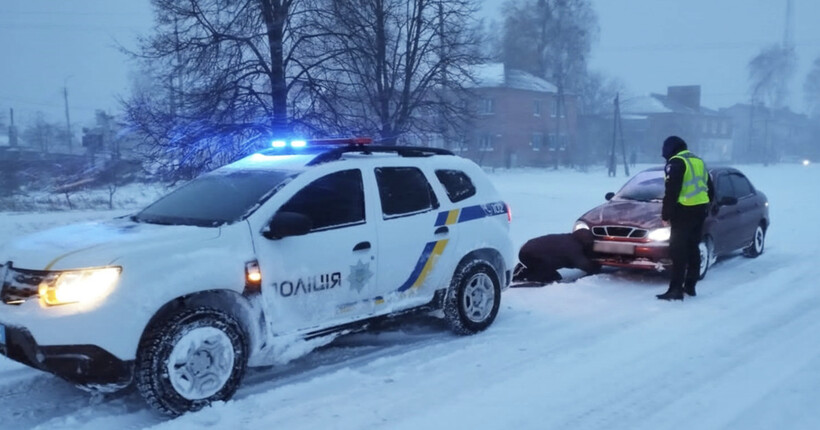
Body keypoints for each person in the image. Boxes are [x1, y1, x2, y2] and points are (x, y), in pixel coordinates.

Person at [657, 135, 714, 301]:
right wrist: (706, 206)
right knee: (693, 248)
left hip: (683, 211)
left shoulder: (676, 162)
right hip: (699, 210)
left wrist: (666, 215)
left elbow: (672, 192)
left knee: (677, 251)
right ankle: (690, 286)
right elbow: (710, 188)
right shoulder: (698, 161)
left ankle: (675, 290)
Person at [513, 229, 601, 284]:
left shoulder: (568, 238)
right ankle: (522, 275)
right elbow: (583, 264)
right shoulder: (573, 247)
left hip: (527, 250)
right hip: (530, 255)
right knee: (552, 277)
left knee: (548, 266)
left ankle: (524, 268)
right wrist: (597, 266)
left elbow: (569, 261)